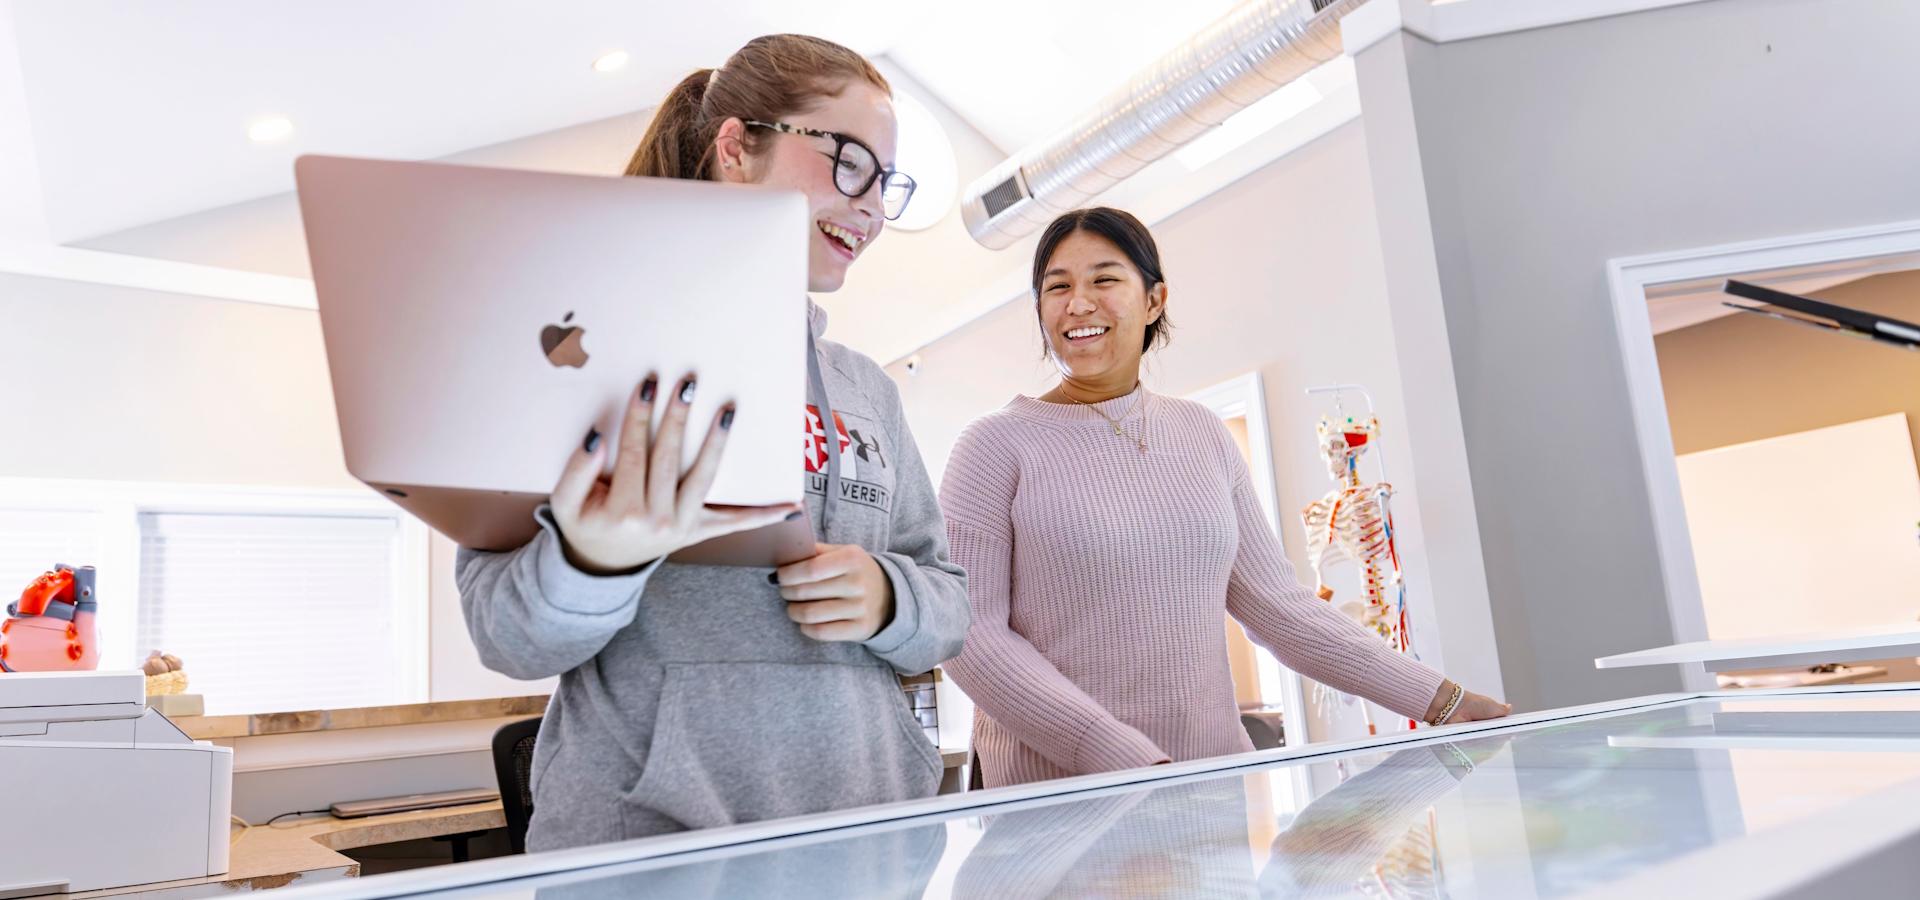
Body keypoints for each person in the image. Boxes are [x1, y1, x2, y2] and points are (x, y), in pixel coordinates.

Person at [458, 34, 970, 851]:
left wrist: (888, 595)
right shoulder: (579, 351)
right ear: (737, 146)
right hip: (646, 849)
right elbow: (506, 633)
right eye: (848, 162)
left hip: (867, 840)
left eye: (886, 183)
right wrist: (592, 560)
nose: (872, 207)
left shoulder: (868, 389)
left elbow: (949, 600)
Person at [940, 206, 1508, 789]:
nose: (1078, 304)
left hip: (1209, 788)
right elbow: (968, 635)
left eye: (1104, 280)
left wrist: (1443, 699)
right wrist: (1119, 755)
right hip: (1062, 804)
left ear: (1155, 300)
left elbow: (1280, 609)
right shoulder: (992, 446)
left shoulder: (1203, 433)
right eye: (1057, 287)